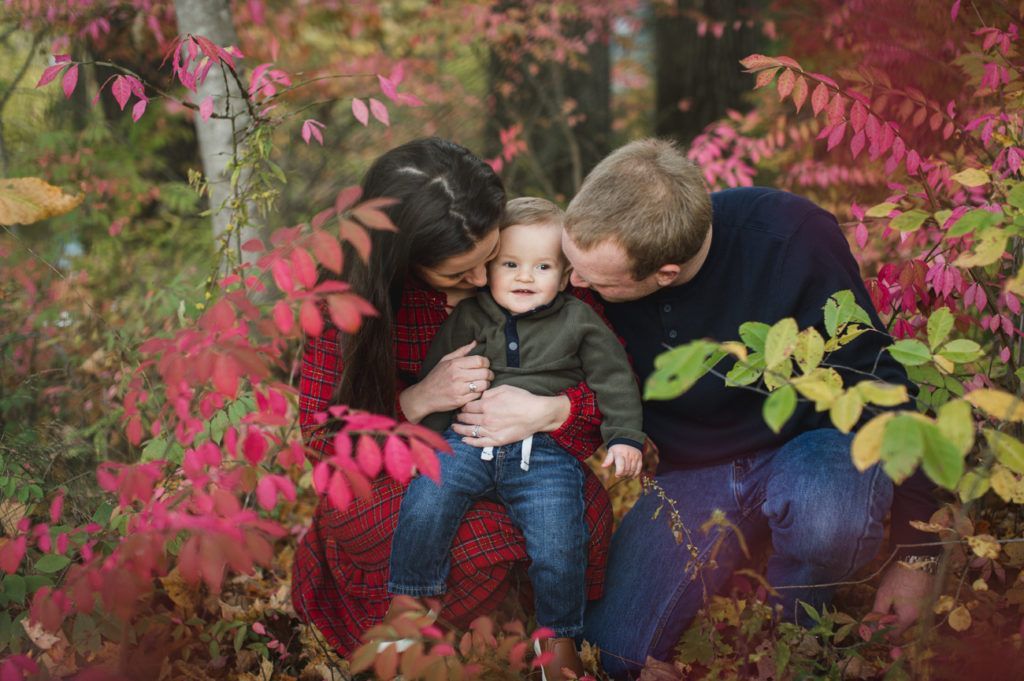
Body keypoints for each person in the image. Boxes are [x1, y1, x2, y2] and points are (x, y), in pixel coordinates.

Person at [556, 138, 938, 679]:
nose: (573, 285)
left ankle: (792, 629)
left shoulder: (791, 237)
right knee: (614, 654)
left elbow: (880, 384)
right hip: (694, 472)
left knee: (828, 520)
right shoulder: (587, 265)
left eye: (592, 279)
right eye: (571, 264)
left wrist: (919, 554)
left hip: (813, 448)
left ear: (664, 273)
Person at [290, 138, 614, 658]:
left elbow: (605, 383)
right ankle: (424, 642)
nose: (482, 279)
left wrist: (554, 410)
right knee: (452, 536)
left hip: (526, 455)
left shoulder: (528, 262)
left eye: (491, 257)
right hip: (398, 473)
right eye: (457, 272)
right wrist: (417, 399)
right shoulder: (345, 300)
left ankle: (538, 641)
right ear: (404, 260)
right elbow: (322, 439)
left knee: (583, 516)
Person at [388, 198, 645, 680]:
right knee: (426, 500)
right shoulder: (468, 317)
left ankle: (558, 638)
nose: (525, 276)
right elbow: (438, 378)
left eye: (542, 266)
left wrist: (624, 437)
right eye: (511, 264)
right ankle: (410, 604)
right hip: (470, 439)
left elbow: (614, 379)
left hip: (542, 453)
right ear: (488, 268)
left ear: (566, 275)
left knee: (560, 539)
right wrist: (425, 441)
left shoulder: (579, 320)